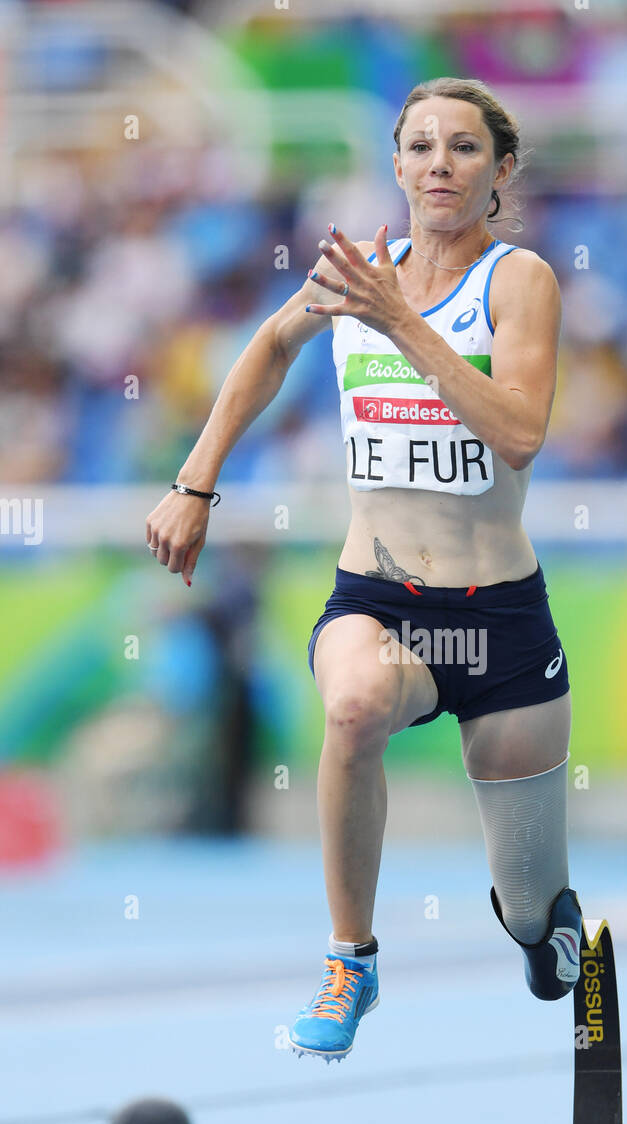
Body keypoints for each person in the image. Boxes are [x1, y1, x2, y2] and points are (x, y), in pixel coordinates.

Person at [145, 77, 586, 1064]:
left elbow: (517, 433)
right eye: (420, 146)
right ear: (396, 165)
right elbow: (266, 346)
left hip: (500, 622)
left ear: (498, 171)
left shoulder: (519, 282)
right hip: (380, 598)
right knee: (351, 707)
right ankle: (351, 958)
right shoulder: (355, 271)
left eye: (464, 149)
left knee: (530, 913)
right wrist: (195, 483)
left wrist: (400, 321)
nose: (439, 164)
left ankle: (540, 922)